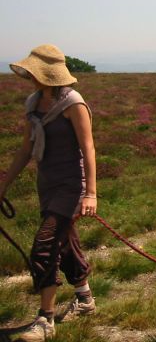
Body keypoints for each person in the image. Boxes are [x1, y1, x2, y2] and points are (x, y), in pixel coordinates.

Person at [0, 44, 97, 341]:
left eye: (35, 71)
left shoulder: (73, 103)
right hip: (47, 185)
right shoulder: (32, 103)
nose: (31, 76)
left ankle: (45, 320)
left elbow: (88, 148)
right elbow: (26, 149)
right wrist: (3, 185)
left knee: (44, 247)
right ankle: (85, 298)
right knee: (64, 241)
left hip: (71, 186)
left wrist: (91, 193)